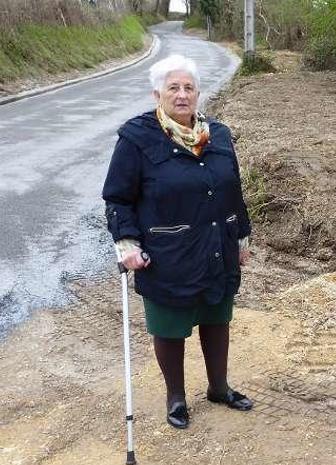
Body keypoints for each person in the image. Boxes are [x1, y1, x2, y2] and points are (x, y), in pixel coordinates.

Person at [102, 54, 253, 429]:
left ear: (198, 93)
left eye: (188, 88)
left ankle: (219, 388)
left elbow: (233, 190)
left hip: (217, 245)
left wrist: (242, 236)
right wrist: (126, 242)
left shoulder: (217, 134)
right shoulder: (137, 138)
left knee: (217, 318)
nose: (182, 95)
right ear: (158, 93)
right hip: (167, 253)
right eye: (174, 87)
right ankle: (177, 398)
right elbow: (118, 197)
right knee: (170, 326)